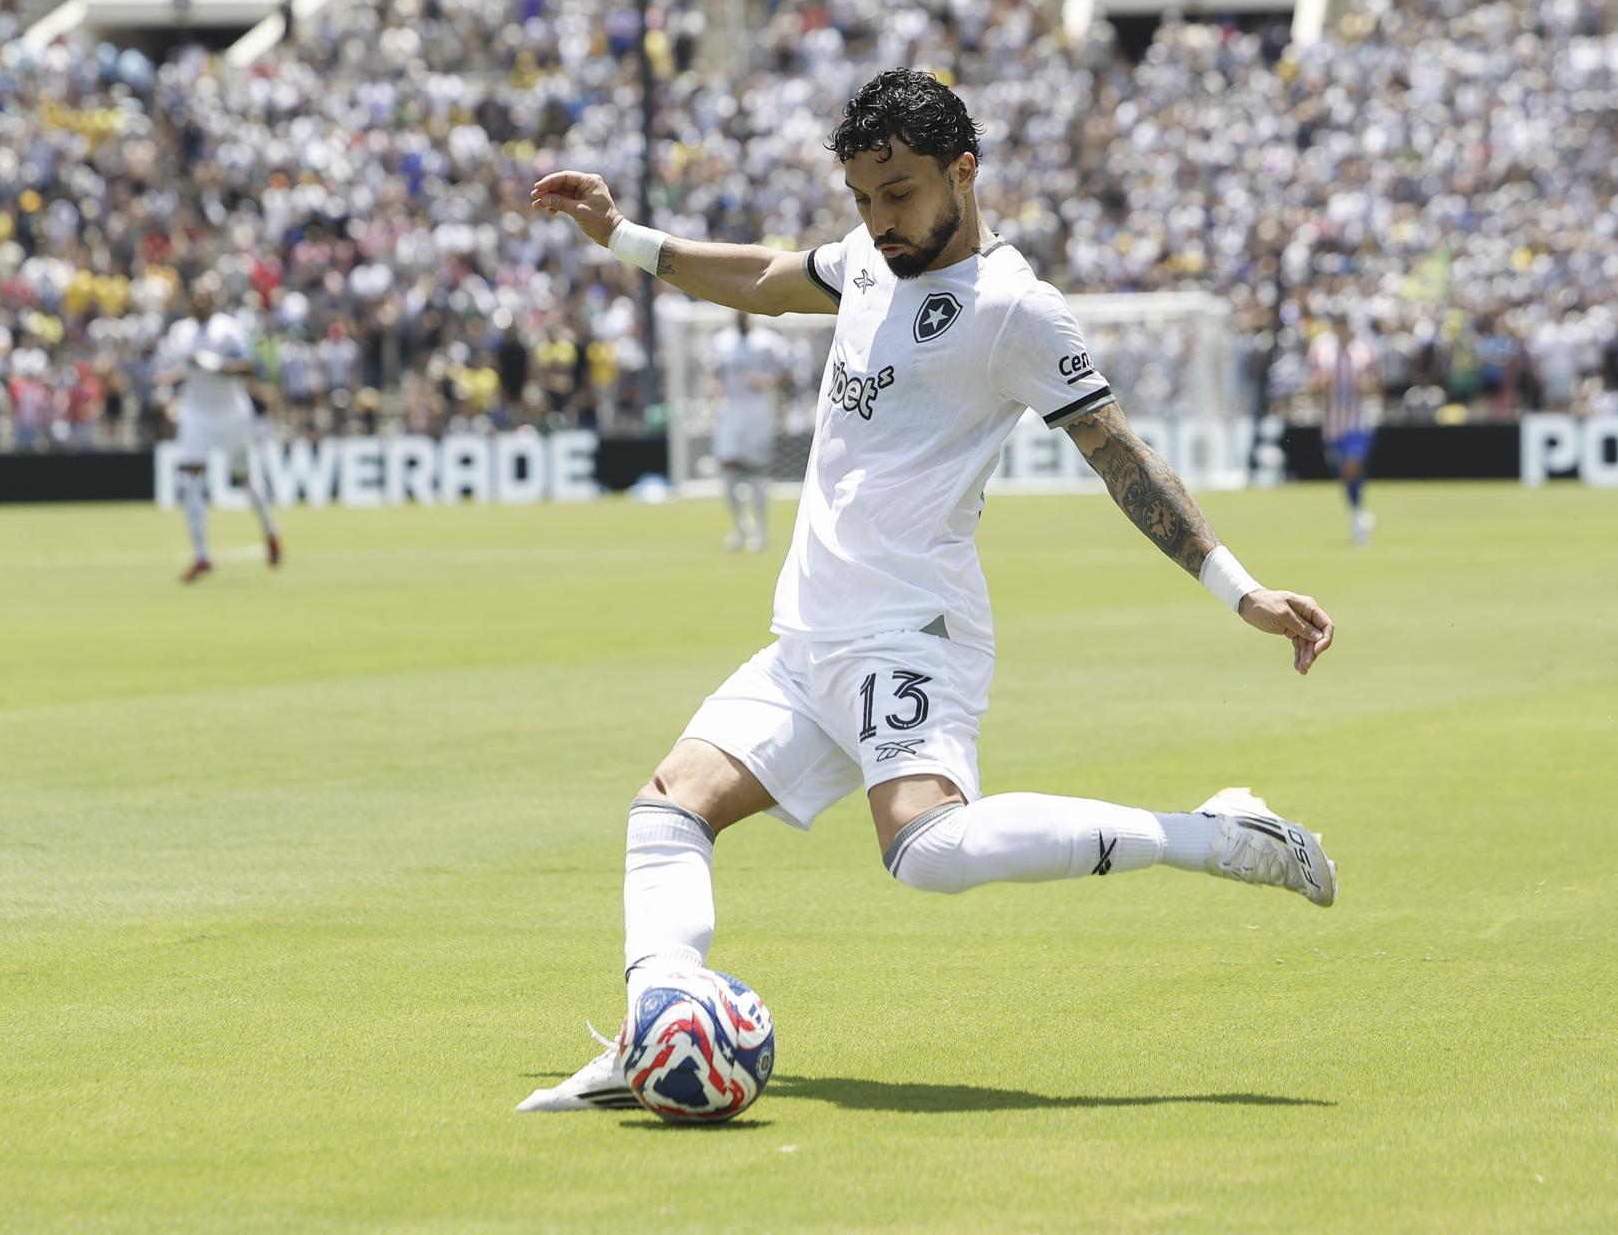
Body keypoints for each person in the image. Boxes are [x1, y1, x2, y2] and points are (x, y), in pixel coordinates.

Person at [518, 70, 1338, 1113]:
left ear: (964, 170)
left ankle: (1218, 833)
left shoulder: (1014, 309)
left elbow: (1119, 455)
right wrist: (622, 235)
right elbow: (766, 275)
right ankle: (659, 1026)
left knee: (928, 851)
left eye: (898, 192)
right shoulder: (869, 260)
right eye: (862, 197)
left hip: (910, 631)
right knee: (668, 809)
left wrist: (1240, 590)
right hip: (809, 636)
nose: (879, 219)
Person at [162, 285, 283, 583]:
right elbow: (187, 368)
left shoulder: (228, 329)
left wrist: (212, 363)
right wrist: (169, 379)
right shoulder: (181, 331)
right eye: (195, 298)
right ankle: (202, 555)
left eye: (204, 298)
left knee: (245, 478)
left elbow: (249, 366)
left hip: (230, 414)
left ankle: (270, 529)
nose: (199, 302)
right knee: (191, 480)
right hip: (196, 413)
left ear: (213, 302)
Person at [708, 311, 792, 551]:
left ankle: (762, 531)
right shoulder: (721, 341)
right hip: (731, 409)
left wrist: (768, 381)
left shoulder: (768, 341)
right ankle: (740, 526)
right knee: (727, 469)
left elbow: (787, 371)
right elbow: (714, 374)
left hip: (758, 410)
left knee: (757, 473)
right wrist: (715, 393)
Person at [1311, 312, 1379, 546]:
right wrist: (1321, 383)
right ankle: (1358, 511)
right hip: (1332, 425)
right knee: (1345, 474)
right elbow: (1310, 385)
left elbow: (1377, 384)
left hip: (1356, 421)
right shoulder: (1323, 351)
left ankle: (1359, 516)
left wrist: (1366, 385)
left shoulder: (1363, 352)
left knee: (1352, 463)